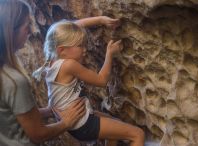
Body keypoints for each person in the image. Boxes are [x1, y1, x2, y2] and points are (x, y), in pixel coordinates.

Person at [0, 0, 118, 146]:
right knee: (134, 133)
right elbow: (38, 134)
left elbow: (67, 31)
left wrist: (100, 19)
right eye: (26, 26)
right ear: (9, 31)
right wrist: (66, 123)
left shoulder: (50, 58)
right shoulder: (13, 81)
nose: (31, 30)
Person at [33, 19, 145, 145]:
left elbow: (73, 27)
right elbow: (102, 80)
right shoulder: (69, 65)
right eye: (80, 45)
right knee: (137, 134)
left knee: (114, 130)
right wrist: (109, 54)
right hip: (83, 123)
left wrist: (100, 19)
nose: (85, 49)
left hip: (77, 123)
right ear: (62, 50)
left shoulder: (52, 61)